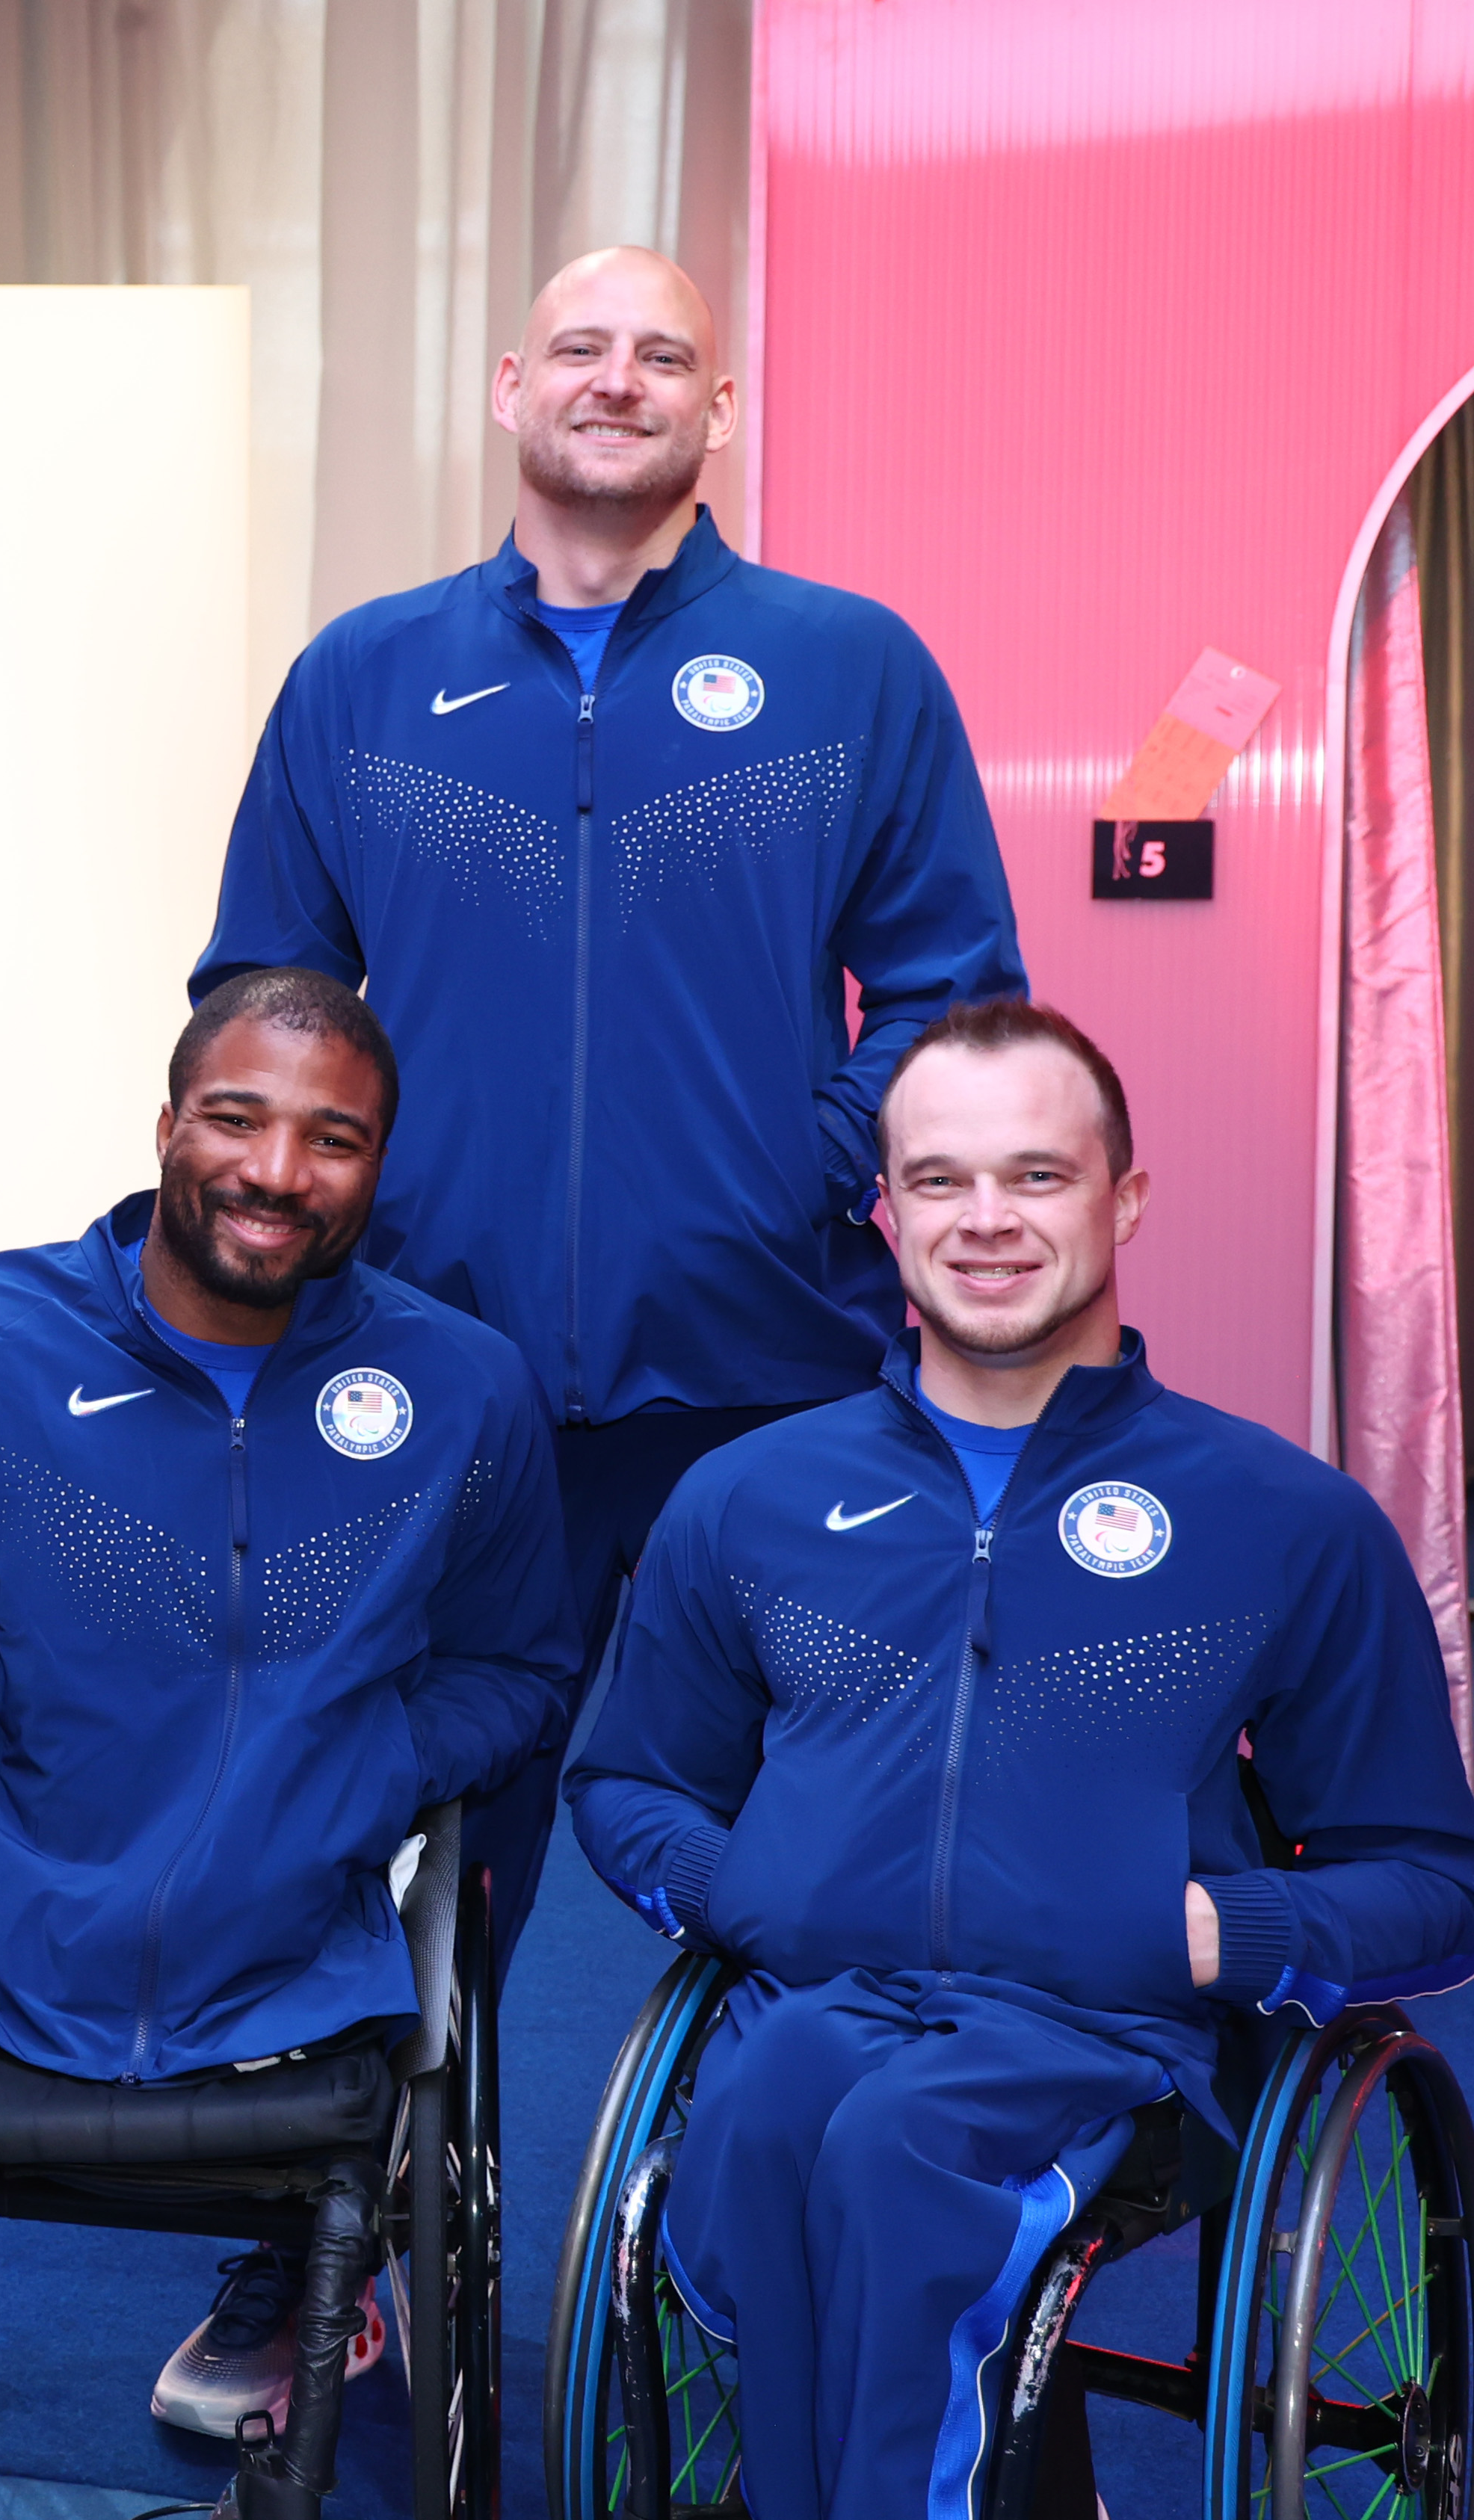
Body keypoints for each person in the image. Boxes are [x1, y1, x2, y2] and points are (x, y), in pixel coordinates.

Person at [191, 246, 1028, 1965]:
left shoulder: (848, 669)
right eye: (582, 347)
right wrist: (367, 1198)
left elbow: (959, 994)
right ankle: (351, 2202)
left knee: (819, 1816)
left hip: (766, 1354)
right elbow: (260, 1005)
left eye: (664, 356)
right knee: (397, 1815)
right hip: (437, 1352)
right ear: (511, 388)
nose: (617, 378)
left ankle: (799, 2178)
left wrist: (798, 1160)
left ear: (717, 411)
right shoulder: (361, 678)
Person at [566, 1000, 1474, 2520]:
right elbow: (623, 1782)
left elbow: (1439, 1885)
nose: (985, 1220)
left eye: (1037, 1176)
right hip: (818, 2002)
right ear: (886, 1209)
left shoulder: (1287, 1518)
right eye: (939, 1180)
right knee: (777, 2121)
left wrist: (1223, 1926)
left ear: (1124, 1198)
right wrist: (738, 1880)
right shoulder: (748, 1498)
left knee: (895, 2154)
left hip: (1108, 2035)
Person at [0, 967, 578, 2445]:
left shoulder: (465, 1387)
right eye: (236, 1118)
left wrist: (368, 1755)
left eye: (333, 1137)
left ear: (382, 1166)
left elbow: (518, 1669)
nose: (276, 1170)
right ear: (165, 1124)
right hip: (2, 1969)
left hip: (301, 1985)